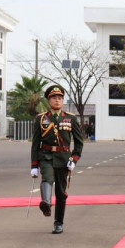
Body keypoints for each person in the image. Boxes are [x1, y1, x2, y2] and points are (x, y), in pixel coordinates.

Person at [30, 85, 84, 234]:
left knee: (61, 193)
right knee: (47, 178)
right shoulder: (41, 119)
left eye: (60, 98)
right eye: (54, 98)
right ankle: (46, 203)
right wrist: (34, 165)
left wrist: (74, 159)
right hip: (46, 156)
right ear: (49, 100)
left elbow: (79, 143)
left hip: (63, 159)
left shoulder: (70, 118)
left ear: (62, 101)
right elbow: (35, 143)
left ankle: (58, 223)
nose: (57, 100)